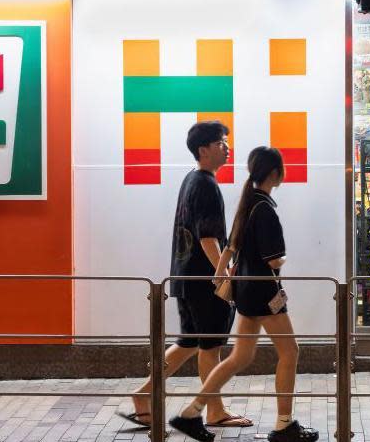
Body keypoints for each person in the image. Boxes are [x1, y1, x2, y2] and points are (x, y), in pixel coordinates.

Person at [170, 147, 319, 442]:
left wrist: (221, 275)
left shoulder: (247, 203)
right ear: (275, 173)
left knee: (240, 356)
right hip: (264, 293)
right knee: (290, 352)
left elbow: (230, 248)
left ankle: (191, 412)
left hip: (246, 293)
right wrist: (283, 260)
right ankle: (284, 425)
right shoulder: (264, 209)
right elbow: (274, 259)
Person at [120, 122, 252, 431]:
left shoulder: (191, 180)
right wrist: (224, 276)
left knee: (189, 343)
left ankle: (142, 395)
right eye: (221, 143)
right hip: (203, 282)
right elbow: (208, 238)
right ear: (204, 149)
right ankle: (215, 411)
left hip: (184, 278)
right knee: (210, 347)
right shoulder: (206, 184)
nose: (227, 147)